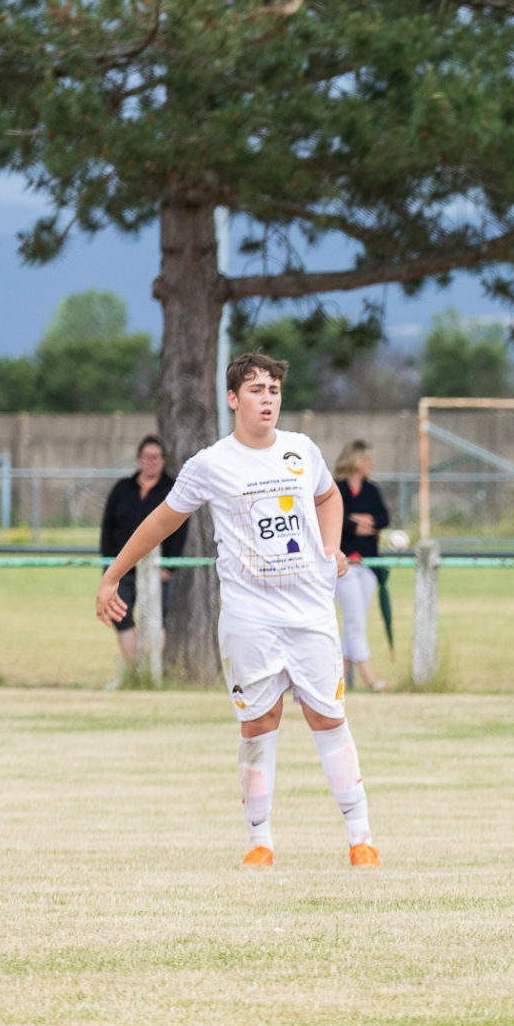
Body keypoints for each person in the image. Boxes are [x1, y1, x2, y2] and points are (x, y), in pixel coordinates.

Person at [95, 353, 381, 868]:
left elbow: (328, 497)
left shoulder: (301, 450)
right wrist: (113, 575)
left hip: (310, 612)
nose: (267, 398)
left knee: (328, 716)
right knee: (258, 722)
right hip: (251, 616)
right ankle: (260, 842)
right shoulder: (211, 463)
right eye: (255, 390)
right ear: (233, 399)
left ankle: (361, 838)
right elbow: (161, 522)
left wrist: (331, 548)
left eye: (273, 389)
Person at [98, 434, 187, 686]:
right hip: (124, 568)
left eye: (156, 457)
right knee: (121, 616)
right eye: (146, 457)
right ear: (138, 459)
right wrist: (109, 566)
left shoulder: (172, 489)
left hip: (157, 568)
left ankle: (153, 672)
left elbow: (180, 530)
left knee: (156, 619)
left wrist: (169, 565)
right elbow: (107, 528)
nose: (151, 462)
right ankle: (133, 671)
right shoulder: (122, 489)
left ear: (164, 460)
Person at [333, 439, 393, 692]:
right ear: (356, 462)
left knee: (354, 620)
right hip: (344, 565)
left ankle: (341, 677)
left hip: (368, 564)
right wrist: (356, 524)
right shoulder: (336, 489)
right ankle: (369, 677)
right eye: (367, 460)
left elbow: (383, 518)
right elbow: (335, 520)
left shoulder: (371, 490)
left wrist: (360, 520)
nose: (371, 465)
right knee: (355, 619)